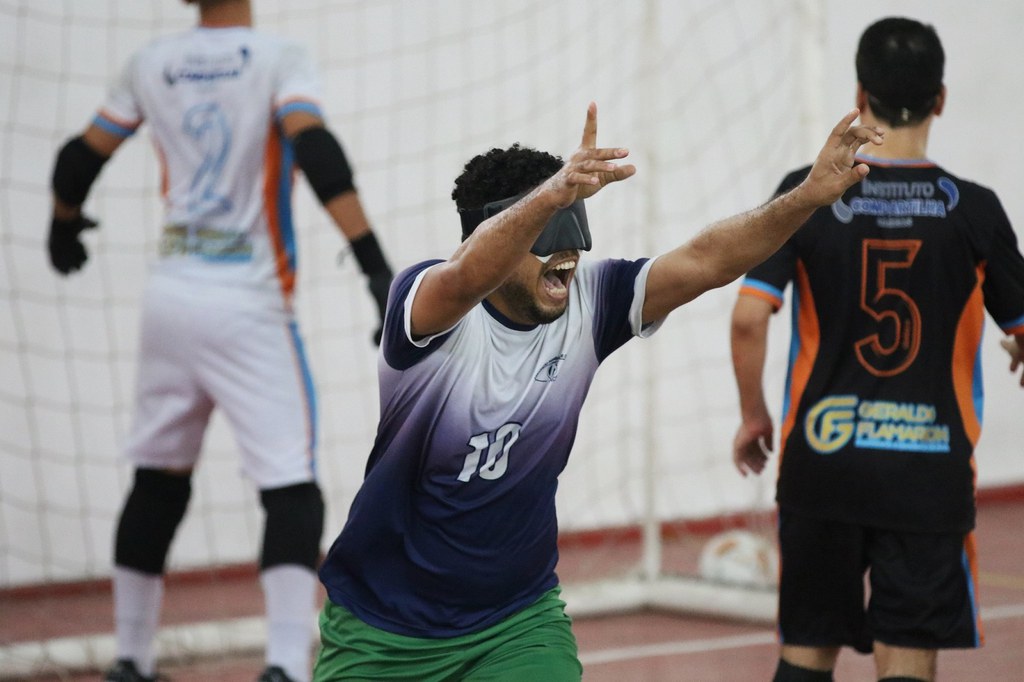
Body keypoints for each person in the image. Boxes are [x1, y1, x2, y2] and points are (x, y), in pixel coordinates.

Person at [308, 101, 882, 681]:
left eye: (574, 222)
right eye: (550, 225)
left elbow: (707, 260)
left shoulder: (593, 300)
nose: (572, 250)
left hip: (515, 621)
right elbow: (464, 277)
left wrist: (808, 196)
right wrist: (549, 198)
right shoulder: (429, 306)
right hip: (382, 627)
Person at [46, 1, 393, 681]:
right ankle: (286, 666)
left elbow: (78, 155)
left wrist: (63, 223)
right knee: (291, 487)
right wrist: (375, 266)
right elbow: (316, 151)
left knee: (156, 480)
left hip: (169, 299)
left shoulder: (152, 63)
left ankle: (129, 658)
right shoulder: (275, 60)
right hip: (250, 302)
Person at [730, 17, 1024, 682]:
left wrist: (753, 416)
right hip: (927, 473)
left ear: (860, 95)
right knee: (908, 656)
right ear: (941, 99)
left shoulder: (805, 193)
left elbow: (750, 317)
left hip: (822, 461)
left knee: (805, 651)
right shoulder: (973, 209)